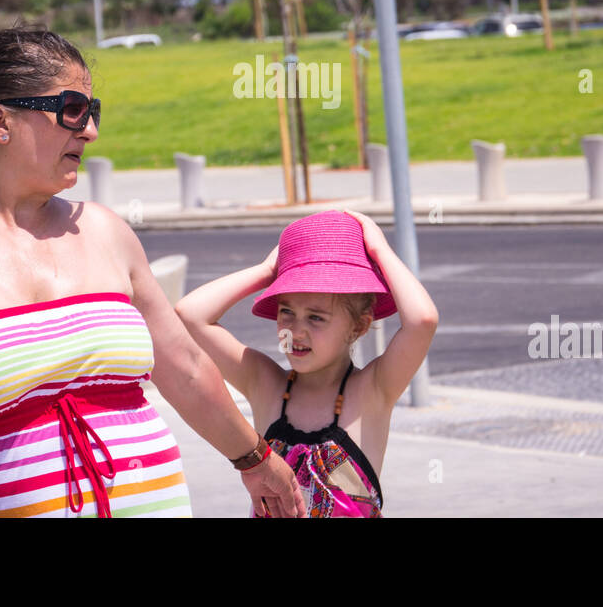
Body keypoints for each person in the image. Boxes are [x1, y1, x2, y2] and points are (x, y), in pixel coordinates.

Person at [0, 25, 306, 518]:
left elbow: (186, 369)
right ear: (0, 122)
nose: (89, 130)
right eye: (72, 110)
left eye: (93, 111)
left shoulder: (105, 231)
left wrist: (256, 460)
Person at [175, 209, 438, 517]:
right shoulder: (265, 383)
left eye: (316, 317)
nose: (296, 330)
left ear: (359, 326)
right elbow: (189, 315)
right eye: (286, 312)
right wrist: (267, 270)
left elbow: (422, 320)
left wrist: (379, 250)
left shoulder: (372, 389)